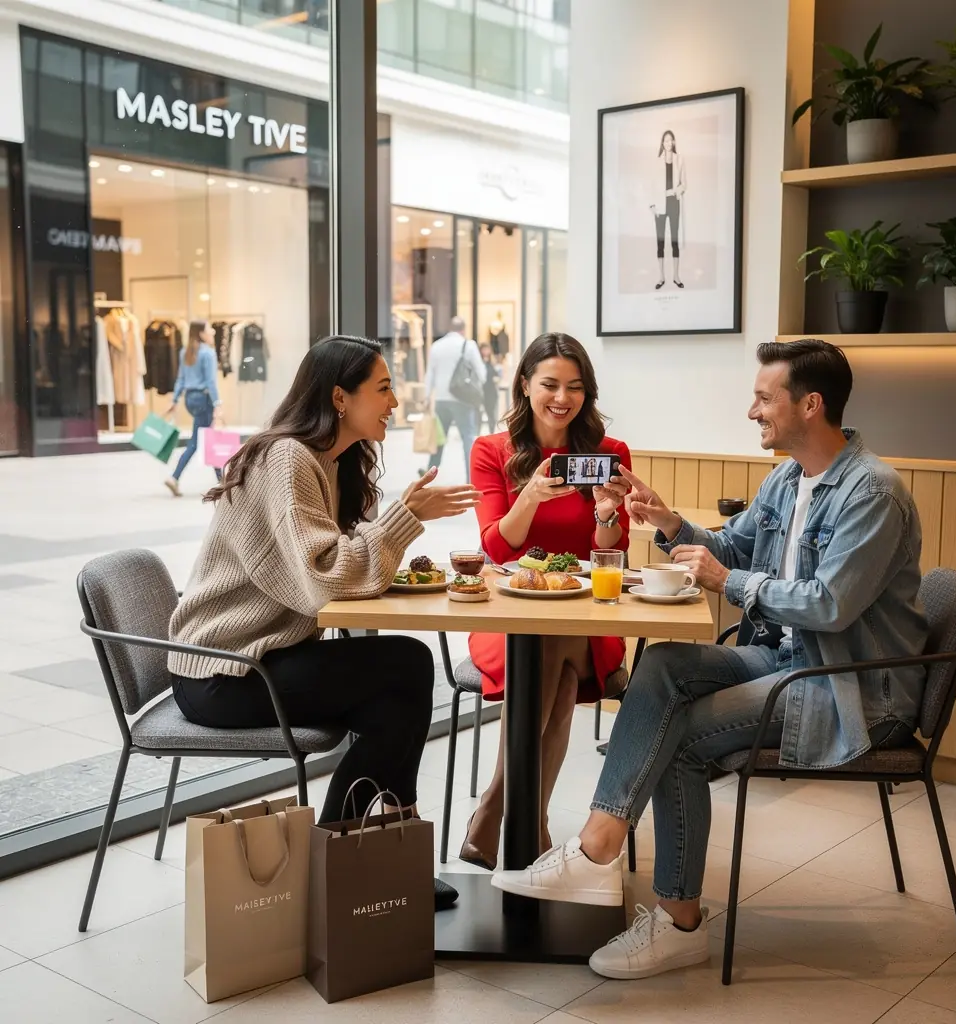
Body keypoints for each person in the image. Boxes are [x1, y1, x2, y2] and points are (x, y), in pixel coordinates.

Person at [492, 339, 928, 978]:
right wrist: (668, 522)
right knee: (664, 664)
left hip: (849, 689)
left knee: (682, 735)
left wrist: (728, 581)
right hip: (786, 660)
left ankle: (675, 919)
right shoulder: (789, 476)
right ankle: (601, 847)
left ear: (810, 405)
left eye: (762, 397)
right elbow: (734, 545)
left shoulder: (871, 493)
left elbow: (830, 605)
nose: (752, 411)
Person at [167, 336, 481, 910]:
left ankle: (366, 857)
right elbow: (324, 580)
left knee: (393, 699)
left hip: (264, 658)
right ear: (340, 397)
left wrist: (390, 530)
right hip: (225, 672)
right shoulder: (288, 459)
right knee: (408, 665)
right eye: (383, 389)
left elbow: (339, 567)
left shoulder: (326, 461)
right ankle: (356, 857)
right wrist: (405, 517)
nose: (394, 402)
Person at [461, 332, 632, 870]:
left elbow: (613, 551)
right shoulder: (493, 452)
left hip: (586, 616)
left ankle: (494, 809)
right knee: (555, 687)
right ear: (525, 385)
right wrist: (530, 495)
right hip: (509, 611)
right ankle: (529, 821)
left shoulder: (608, 454)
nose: (563, 398)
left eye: (575, 387)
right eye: (550, 385)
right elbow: (495, 546)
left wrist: (606, 512)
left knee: (555, 638)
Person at [422, 316, 486, 480]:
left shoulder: (436, 346)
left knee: (439, 438)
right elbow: (482, 373)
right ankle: (471, 476)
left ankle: (429, 472)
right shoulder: (468, 345)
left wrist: (427, 396)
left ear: (449, 328)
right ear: (463, 329)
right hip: (462, 400)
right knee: (467, 437)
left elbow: (430, 373)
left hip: (441, 400)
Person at [164, 320, 223, 496]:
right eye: (209, 329)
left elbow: (180, 379)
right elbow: (211, 382)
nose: (212, 332)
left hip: (190, 399)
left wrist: (174, 400)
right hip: (203, 399)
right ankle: (175, 477)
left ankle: (222, 480)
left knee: (204, 438)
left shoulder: (186, 351)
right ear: (201, 334)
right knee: (199, 441)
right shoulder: (208, 353)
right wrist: (218, 404)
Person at [651, 129, 685, 290]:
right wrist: (652, 206)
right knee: (660, 242)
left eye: (671, 140)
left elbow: (684, 184)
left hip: (674, 204)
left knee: (674, 240)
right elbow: (651, 184)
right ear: (662, 143)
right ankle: (661, 276)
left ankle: (676, 276)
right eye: (666, 140)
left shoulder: (679, 159)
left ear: (674, 142)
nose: (668, 143)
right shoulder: (657, 161)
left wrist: (673, 191)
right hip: (659, 205)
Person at [479, 340, 502, 434]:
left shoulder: (492, 362)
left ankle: (491, 432)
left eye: (487, 349)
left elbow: (497, 375)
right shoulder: (478, 362)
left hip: (491, 391)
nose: (485, 351)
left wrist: (497, 379)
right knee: (478, 414)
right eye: (483, 349)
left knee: (491, 414)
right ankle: (477, 433)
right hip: (480, 391)